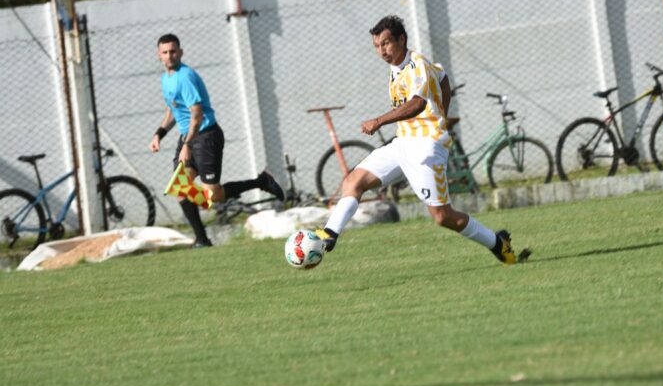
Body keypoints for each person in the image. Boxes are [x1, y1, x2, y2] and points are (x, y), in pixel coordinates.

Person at [315, 15, 529, 265]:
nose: (381, 51)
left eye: (386, 44)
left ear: (401, 39)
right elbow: (443, 75)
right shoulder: (398, 66)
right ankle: (329, 234)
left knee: (442, 217)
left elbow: (417, 104)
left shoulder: (417, 66)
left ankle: (497, 242)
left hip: (426, 147)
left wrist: (380, 121)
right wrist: (443, 111)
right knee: (354, 181)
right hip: (403, 142)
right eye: (377, 45)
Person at [150, 33, 284, 248]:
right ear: (158, 56)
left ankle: (262, 181)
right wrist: (159, 133)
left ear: (181, 52)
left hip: (205, 136)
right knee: (181, 188)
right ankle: (202, 240)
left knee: (214, 195)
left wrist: (187, 146)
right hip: (189, 138)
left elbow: (197, 115)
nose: (169, 56)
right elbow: (174, 110)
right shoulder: (166, 79)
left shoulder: (185, 77)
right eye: (165, 52)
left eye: (173, 51)